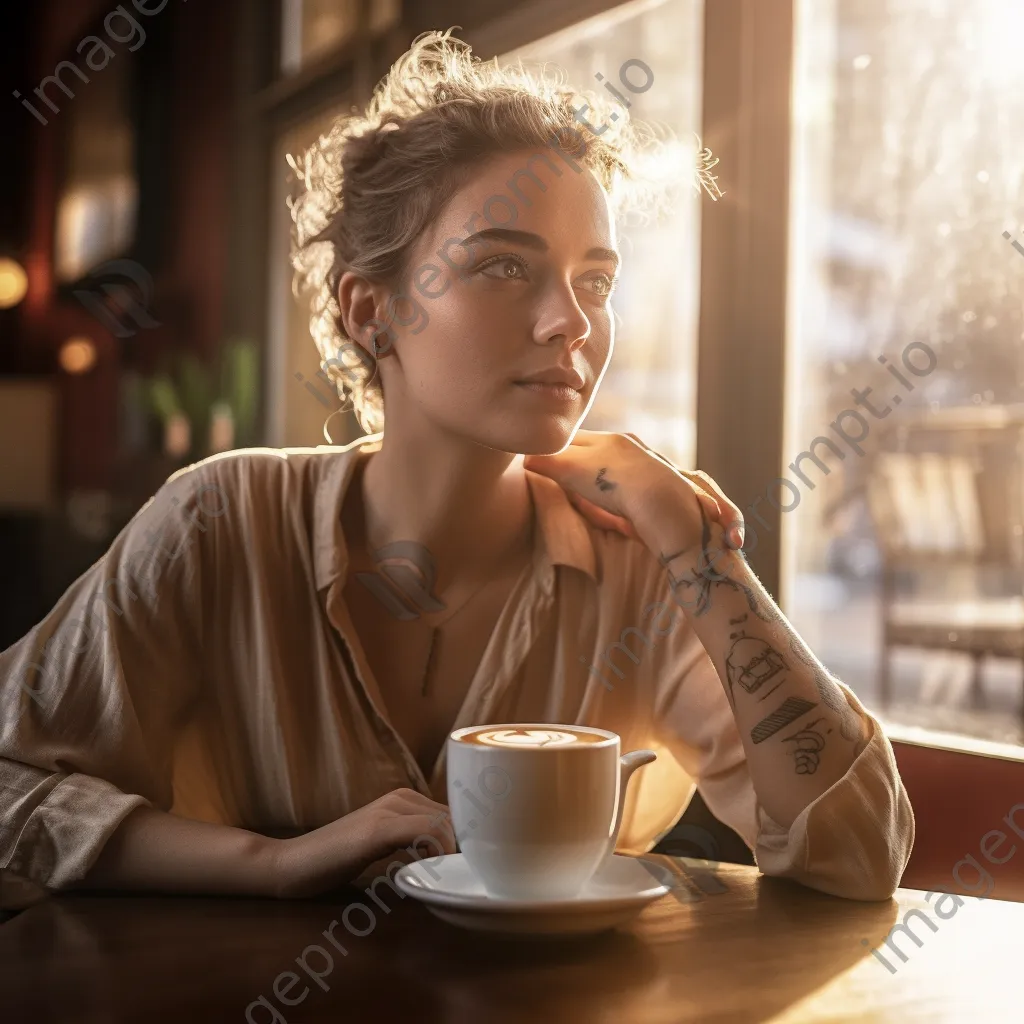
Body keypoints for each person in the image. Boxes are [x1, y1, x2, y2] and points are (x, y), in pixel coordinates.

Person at [0, 29, 913, 909]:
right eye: (505, 267)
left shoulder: (642, 564)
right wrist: (278, 864)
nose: (571, 322)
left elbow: (860, 856)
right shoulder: (220, 521)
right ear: (372, 311)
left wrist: (702, 550)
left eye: (594, 279)